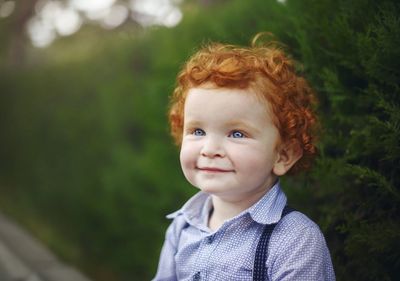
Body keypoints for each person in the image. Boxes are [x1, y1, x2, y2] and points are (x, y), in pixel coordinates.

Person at [153, 34, 335, 281]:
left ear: (283, 155)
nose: (209, 149)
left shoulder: (295, 240)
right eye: (197, 131)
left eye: (237, 133)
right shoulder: (182, 227)